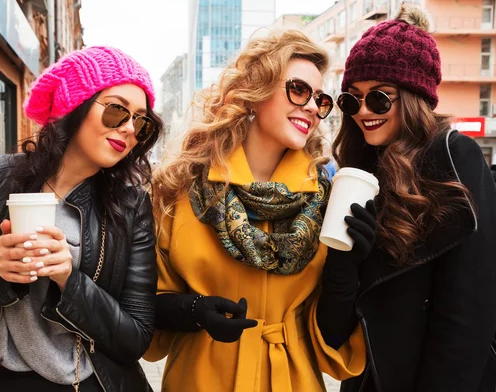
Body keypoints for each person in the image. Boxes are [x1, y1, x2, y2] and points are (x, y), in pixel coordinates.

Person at [0, 46, 163, 392]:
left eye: (140, 121)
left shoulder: (131, 207)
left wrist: (69, 280)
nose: (129, 128)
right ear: (75, 105)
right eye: (116, 111)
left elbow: (136, 338)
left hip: (82, 382)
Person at [142, 29, 368, 391]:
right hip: (199, 380)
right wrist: (194, 311)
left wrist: (346, 268)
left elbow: (333, 341)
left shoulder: (327, 201)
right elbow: (146, 308)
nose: (312, 107)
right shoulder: (181, 189)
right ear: (255, 91)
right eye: (298, 90)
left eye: (320, 100)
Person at [331, 4, 496, 392]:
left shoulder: (456, 159)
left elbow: (466, 315)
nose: (363, 112)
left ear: (413, 98)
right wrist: (342, 264)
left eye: (381, 98)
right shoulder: (358, 172)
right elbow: (337, 328)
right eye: (352, 100)